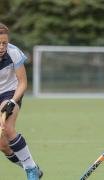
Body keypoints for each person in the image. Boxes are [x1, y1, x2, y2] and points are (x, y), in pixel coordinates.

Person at [0, 23, 43, 180]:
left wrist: (12, 101)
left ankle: (31, 169)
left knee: (8, 128)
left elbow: (23, 83)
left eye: (4, 42)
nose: (2, 47)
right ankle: (31, 166)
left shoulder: (13, 53)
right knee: (4, 146)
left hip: (10, 92)